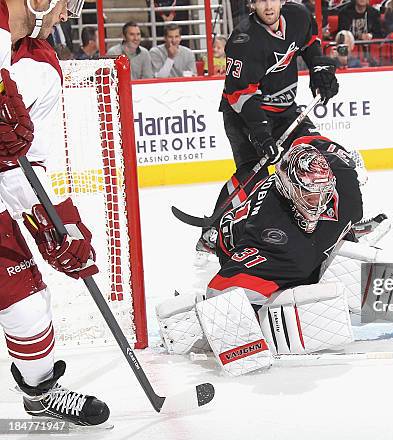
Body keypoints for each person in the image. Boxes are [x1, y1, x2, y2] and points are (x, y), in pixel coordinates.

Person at [158, 136, 364, 374]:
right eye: (309, 195)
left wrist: (336, 149)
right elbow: (221, 291)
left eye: (323, 193)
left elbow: (307, 140)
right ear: (289, 189)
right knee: (267, 307)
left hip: (299, 249)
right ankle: (191, 320)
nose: (317, 203)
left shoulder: (347, 190)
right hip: (239, 248)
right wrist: (243, 324)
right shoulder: (270, 235)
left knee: (346, 259)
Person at [0, 0, 108, 426]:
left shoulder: (43, 64)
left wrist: (55, 223)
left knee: (27, 303)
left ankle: (40, 393)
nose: (69, 15)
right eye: (70, 2)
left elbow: (24, 166)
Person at [214, 0, 339, 227]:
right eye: (260, 0)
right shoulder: (243, 40)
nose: (268, 6)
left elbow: (309, 42)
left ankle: (333, 220)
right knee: (255, 174)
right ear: (252, 4)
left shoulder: (298, 15)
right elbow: (239, 95)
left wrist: (318, 68)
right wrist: (262, 134)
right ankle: (213, 232)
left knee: (318, 157)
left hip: (285, 112)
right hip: (243, 115)